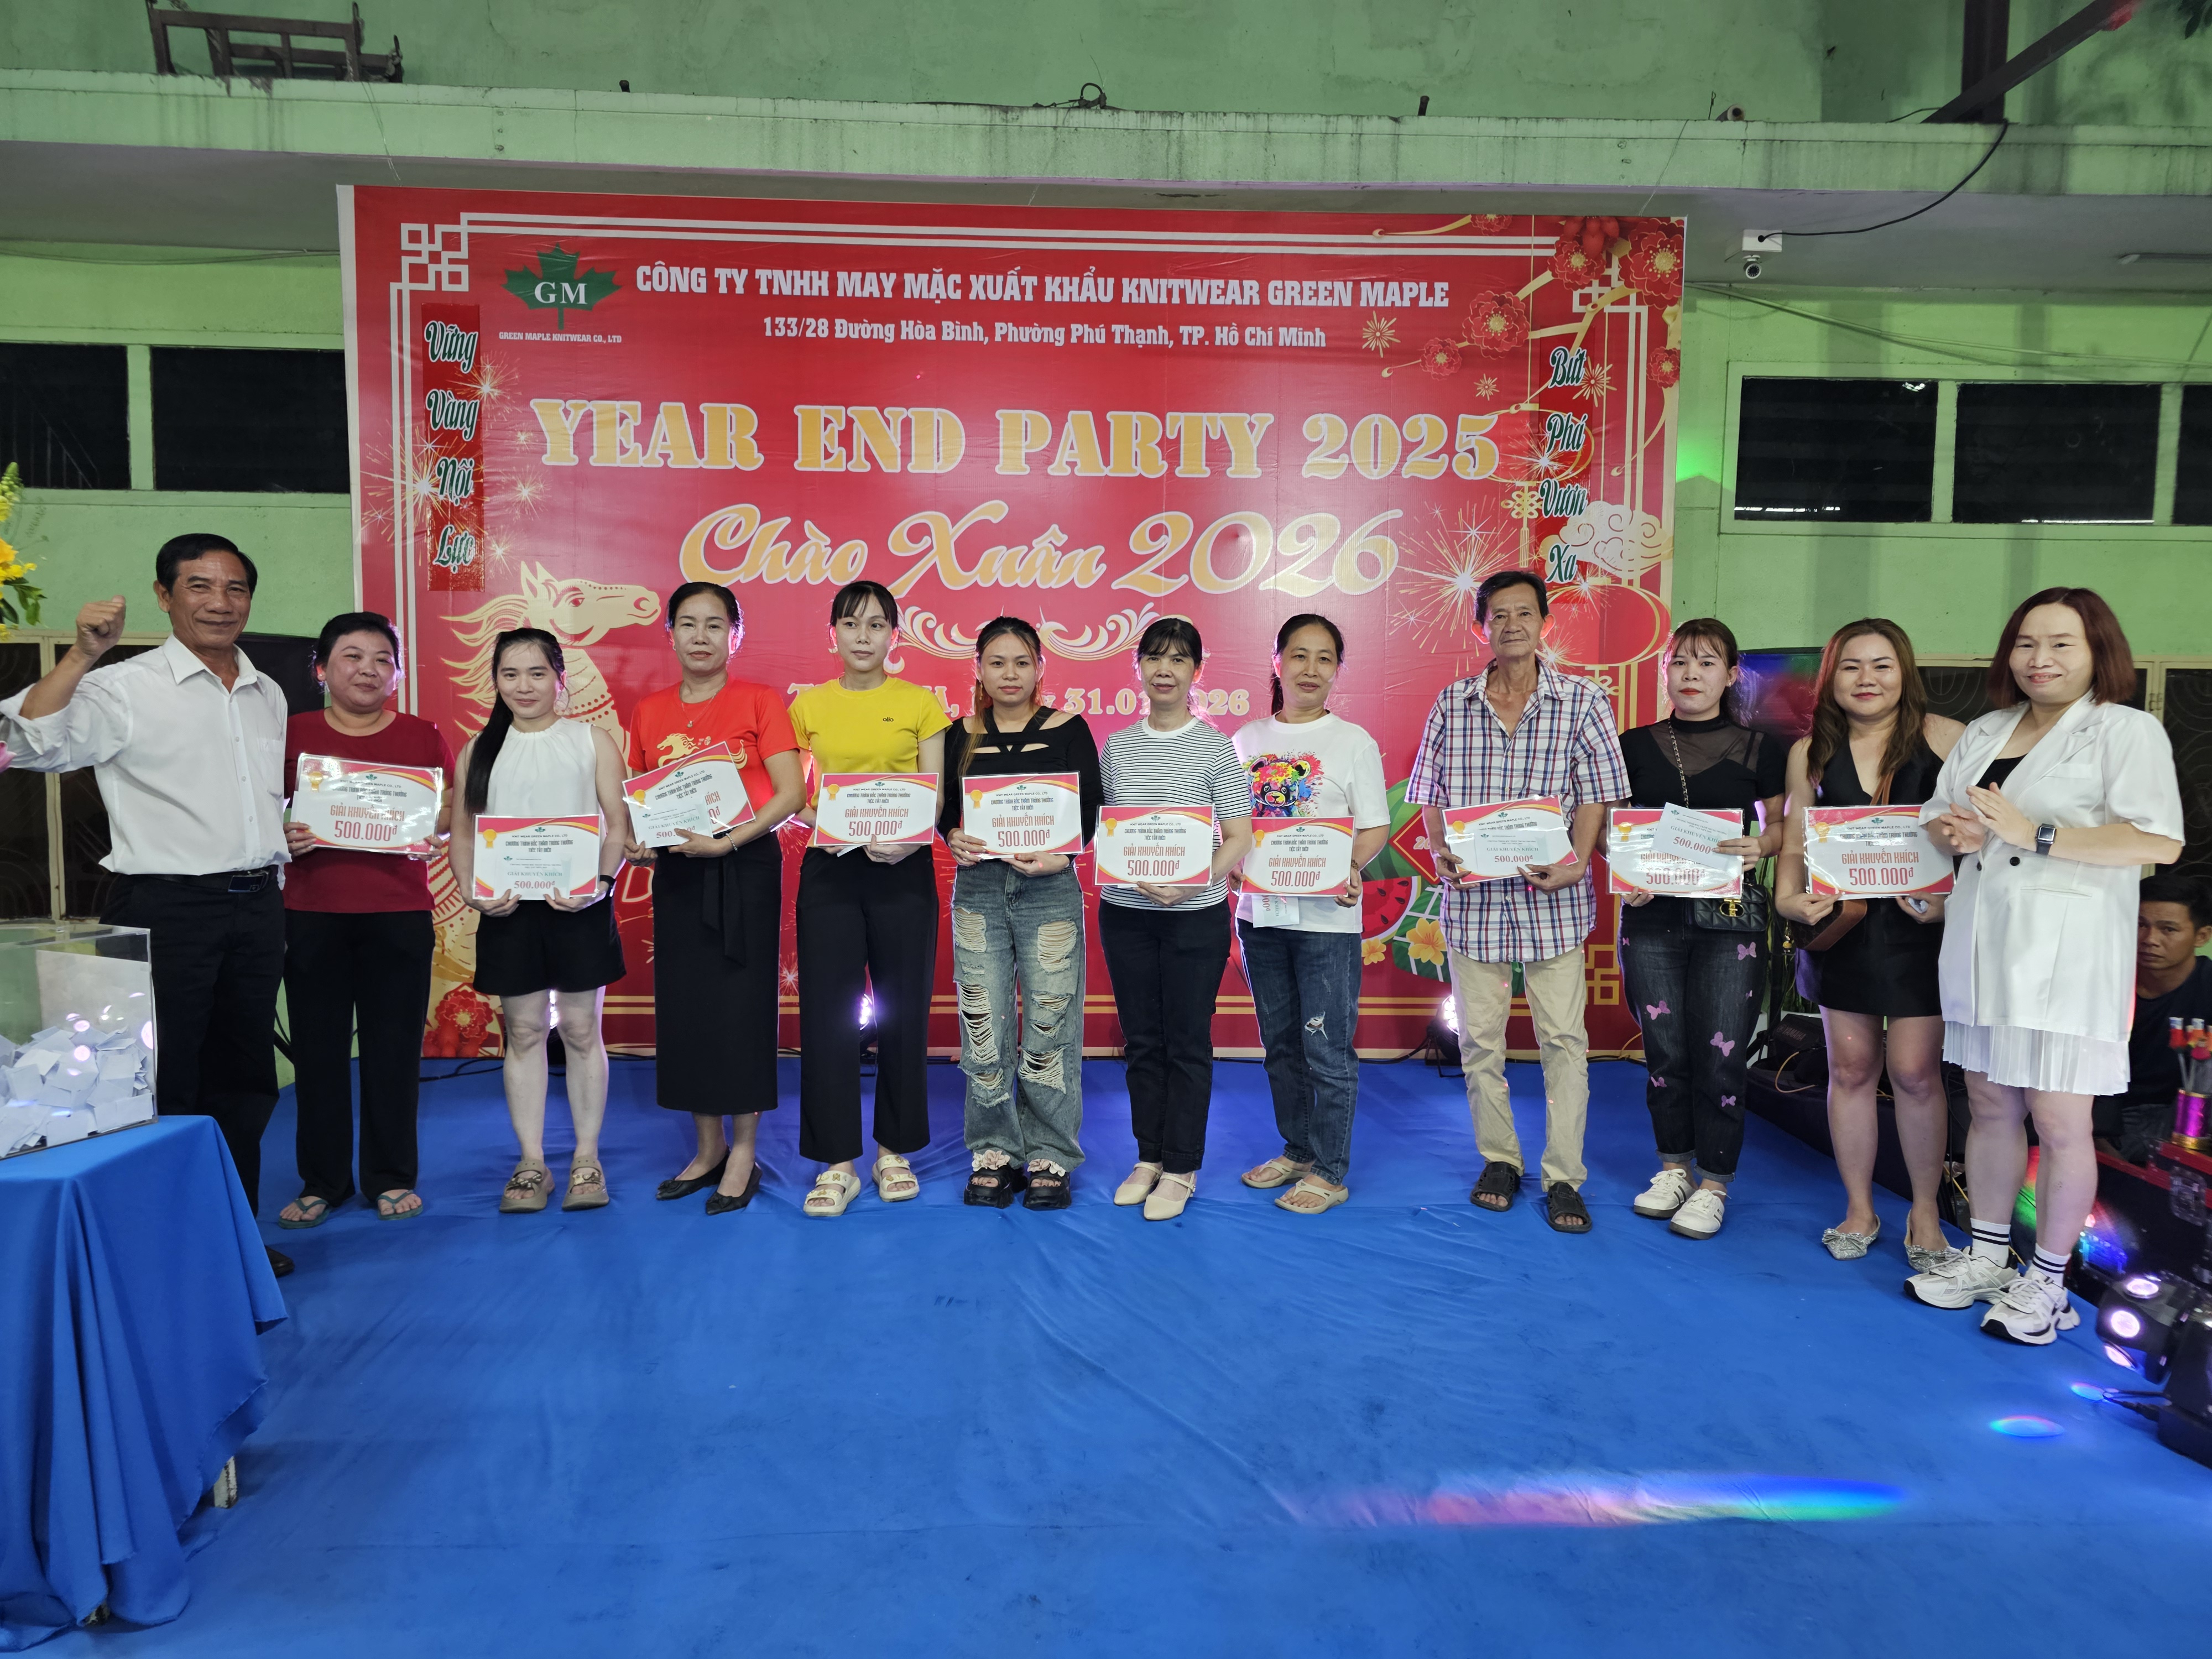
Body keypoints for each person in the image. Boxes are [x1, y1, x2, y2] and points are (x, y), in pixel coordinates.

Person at [0, 535, 295, 1275]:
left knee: (246, 1081)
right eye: (200, 586)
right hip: (169, 907)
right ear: (164, 597)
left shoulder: (267, 691)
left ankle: (232, 1241)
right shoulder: (122, 686)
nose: (220, 602)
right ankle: (164, 1250)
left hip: (257, 907)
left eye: (235, 588)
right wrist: (81, 655)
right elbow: (28, 742)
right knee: (164, 1081)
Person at [1913, 587, 2183, 1343]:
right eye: (2027, 644)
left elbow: (2157, 841)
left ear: (2098, 652)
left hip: (2068, 955)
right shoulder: (1987, 730)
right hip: (1983, 946)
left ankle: (2049, 1283)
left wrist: (2035, 833)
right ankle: (1988, 1256)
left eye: (2062, 644)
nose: (2040, 659)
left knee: (2061, 1121)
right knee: (1989, 1104)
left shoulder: (2124, 730)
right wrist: (1954, 831)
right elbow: (1937, 815)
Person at [1405, 568, 1628, 1235]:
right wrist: (1439, 849)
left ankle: (1564, 1176)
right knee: (1479, 1042)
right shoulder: (1452, 703)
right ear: (1481, 627)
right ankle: (1499, 1159)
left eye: (1523, 613)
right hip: (1475, 904)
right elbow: (1430, 792)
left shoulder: (1582, 701)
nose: (1511, 625)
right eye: (1497, 615)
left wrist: (1576, 861)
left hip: (1553, 904)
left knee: (1563, 1042)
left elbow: (1598, 794)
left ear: (1543, 623)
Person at [1773, 619, 1963, 1268]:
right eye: (1851, 666)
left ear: (1904, 672)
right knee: (1851, 1070)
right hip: (1844, 929)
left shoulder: (1947, 738)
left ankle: (1925, 1211)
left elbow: (1976, 836)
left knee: (1914, 1072)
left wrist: (1951, 903)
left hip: (1920, 933)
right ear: (1832, 678)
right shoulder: (1811, 750)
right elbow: (1794, 840)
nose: (1866, 679)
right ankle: (1859, 1208)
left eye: (1881, 665)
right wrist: (1788, 898)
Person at [623, 582, 804, 1215]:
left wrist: (728, 841)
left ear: (736, 635)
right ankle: (707, 1150)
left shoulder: (760, 700)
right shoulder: (648, 711)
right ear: (669, 634)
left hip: (744, 866)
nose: (700, 637)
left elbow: (790, 794)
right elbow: (640, 797)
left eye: (714, 625)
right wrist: (639, 842)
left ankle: (744, 1152)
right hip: (679, 872)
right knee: (689, 1009)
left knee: (741, 1009)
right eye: (688, 624)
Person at [275, 612, 453, 1229]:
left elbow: (448, 807)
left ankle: (391, 1175)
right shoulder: (290, 733)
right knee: (318, 1053)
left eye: (382, 660)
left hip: (398, 914)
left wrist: (434, 832)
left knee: (394, 1051)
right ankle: (322, 1180)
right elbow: (257, 806)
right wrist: (279, 833)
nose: (368, 670)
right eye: (352, 657)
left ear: (397, 675)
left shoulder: (422, 735)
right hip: (311, 913)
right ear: (322, 669)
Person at [446, 628, 632, 1215]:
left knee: (580, 1031)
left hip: (579, 908)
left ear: (560, 679)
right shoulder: (478, 750)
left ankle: (586, 1159)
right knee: (524, 1033)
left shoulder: (592, 741)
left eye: (536, 673)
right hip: (508, 911)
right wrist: (473, 892)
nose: (523, 686)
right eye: (510, 674)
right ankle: (531, 1163)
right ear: (495, 682)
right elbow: (463, 834)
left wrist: (600, 885)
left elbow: (618, 825)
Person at [1615, 619, 1786, 1240]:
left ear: (1731, 674)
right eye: (1681, 662)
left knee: (1722, 1056)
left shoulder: (1763, 748)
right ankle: (1672, 1169)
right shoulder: (1632, 745)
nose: (1692, 674)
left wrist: (1760, 844)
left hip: (1729, 922)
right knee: (1665, 1052)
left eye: (1707, 663)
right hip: (1650, 916)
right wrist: (1624, 871)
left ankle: (1714, 1183)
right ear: (1664, 671)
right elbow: (1612, 825)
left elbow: (1784, 827)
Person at [788, 580, 948, 1217]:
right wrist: (830, 825)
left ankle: (893, 1151)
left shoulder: (920, 704)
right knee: (828, 1014)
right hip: (830, 869)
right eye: (851, 624)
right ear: (832, 634)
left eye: (876, 624)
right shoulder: (807, 706)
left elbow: (934, 794)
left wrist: (907, 840)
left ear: (894, 635)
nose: (863, 636)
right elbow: (793, 796)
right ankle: (836, 1162)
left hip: (903, 870)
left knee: (902, 1012)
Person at [939, 617, 1102, 1209]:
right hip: (979, 890)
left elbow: (1090, 811)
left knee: (1050, 1025)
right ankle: (992, 1150)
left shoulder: (1069, 729)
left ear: (1039, 668)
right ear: (979, 669)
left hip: (1049, 890)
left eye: (1021, 662)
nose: (1009, 674)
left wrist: (1064, 856)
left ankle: (1050, 1153)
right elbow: (945, 811)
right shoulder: (957, 734)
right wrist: (952, 834)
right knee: (982, 1023)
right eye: (997, 662)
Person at [1230, 614, 1390, 1214]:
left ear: (1337, 670)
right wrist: (1230, 860)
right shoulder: (1245, 740)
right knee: (1280, 1044)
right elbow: (1232, 823)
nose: (1311, 669)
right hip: (1261, 916)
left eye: (1325, 658)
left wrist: (1348, 866)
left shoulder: (1352, 742)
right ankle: (1297, 1150)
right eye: (1299, 655)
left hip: (1326, 921)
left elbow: (1374, 826)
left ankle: (1329, 1169)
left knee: (1325, 1046)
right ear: (1277, 662)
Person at [1099, 617, 1255, 1222]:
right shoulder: (1117, 747)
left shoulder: (1215, 747)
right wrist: (1125, 864)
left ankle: (1182, 1166)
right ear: (1138, 667)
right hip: (1127, 916)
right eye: (1154, 658)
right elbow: (1109, 832)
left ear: (1196, 671)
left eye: (1178, 659)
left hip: (1195, 918)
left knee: (1187, 1042)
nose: (1165, 670)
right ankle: (1148, 1157)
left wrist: (1196, 879)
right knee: (1141, 1041)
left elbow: (1239, 837)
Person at [2095, 874, 2212, 1164]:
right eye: (2140, 925)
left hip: (2188, 1118)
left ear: (2202, 937)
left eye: (2168, 929)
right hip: (2107, 1117)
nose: (2149, 940)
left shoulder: (2207, 987)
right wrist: (2095, 1139)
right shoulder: (2101, 985)